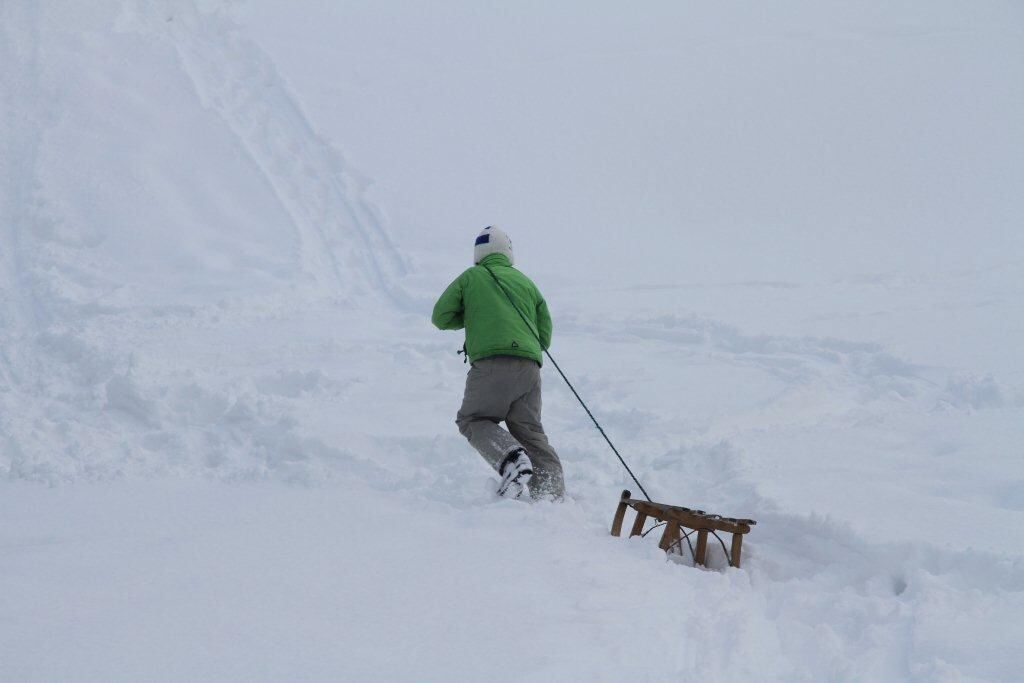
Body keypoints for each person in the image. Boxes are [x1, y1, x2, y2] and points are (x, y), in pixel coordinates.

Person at [431, 226, 565, 500]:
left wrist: (472, 317)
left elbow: (441, 317)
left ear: (478, 254)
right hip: (530, 368)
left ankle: (510, 459)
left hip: (492, 364)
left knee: (473, 419)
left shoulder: (472, 277)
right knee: (530, 431)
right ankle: (551, 495)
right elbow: (545, 332)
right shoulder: (526, 283)